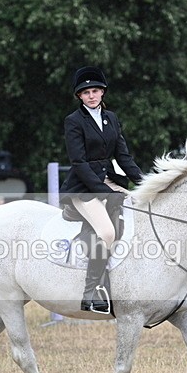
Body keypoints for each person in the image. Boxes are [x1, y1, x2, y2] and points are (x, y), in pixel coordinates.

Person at [59, 66, 144, 314]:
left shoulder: (112, 119)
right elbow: (79, 162)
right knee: (106, 232)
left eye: (95, 91)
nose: (91, 96)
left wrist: (146, 183)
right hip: (83, 187)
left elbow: (123, 156)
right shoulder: (74, 121)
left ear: (102, 92)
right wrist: (104, 191)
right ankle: (91, 292)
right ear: (80, 97)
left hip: (109, 181)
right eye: (86, 93)